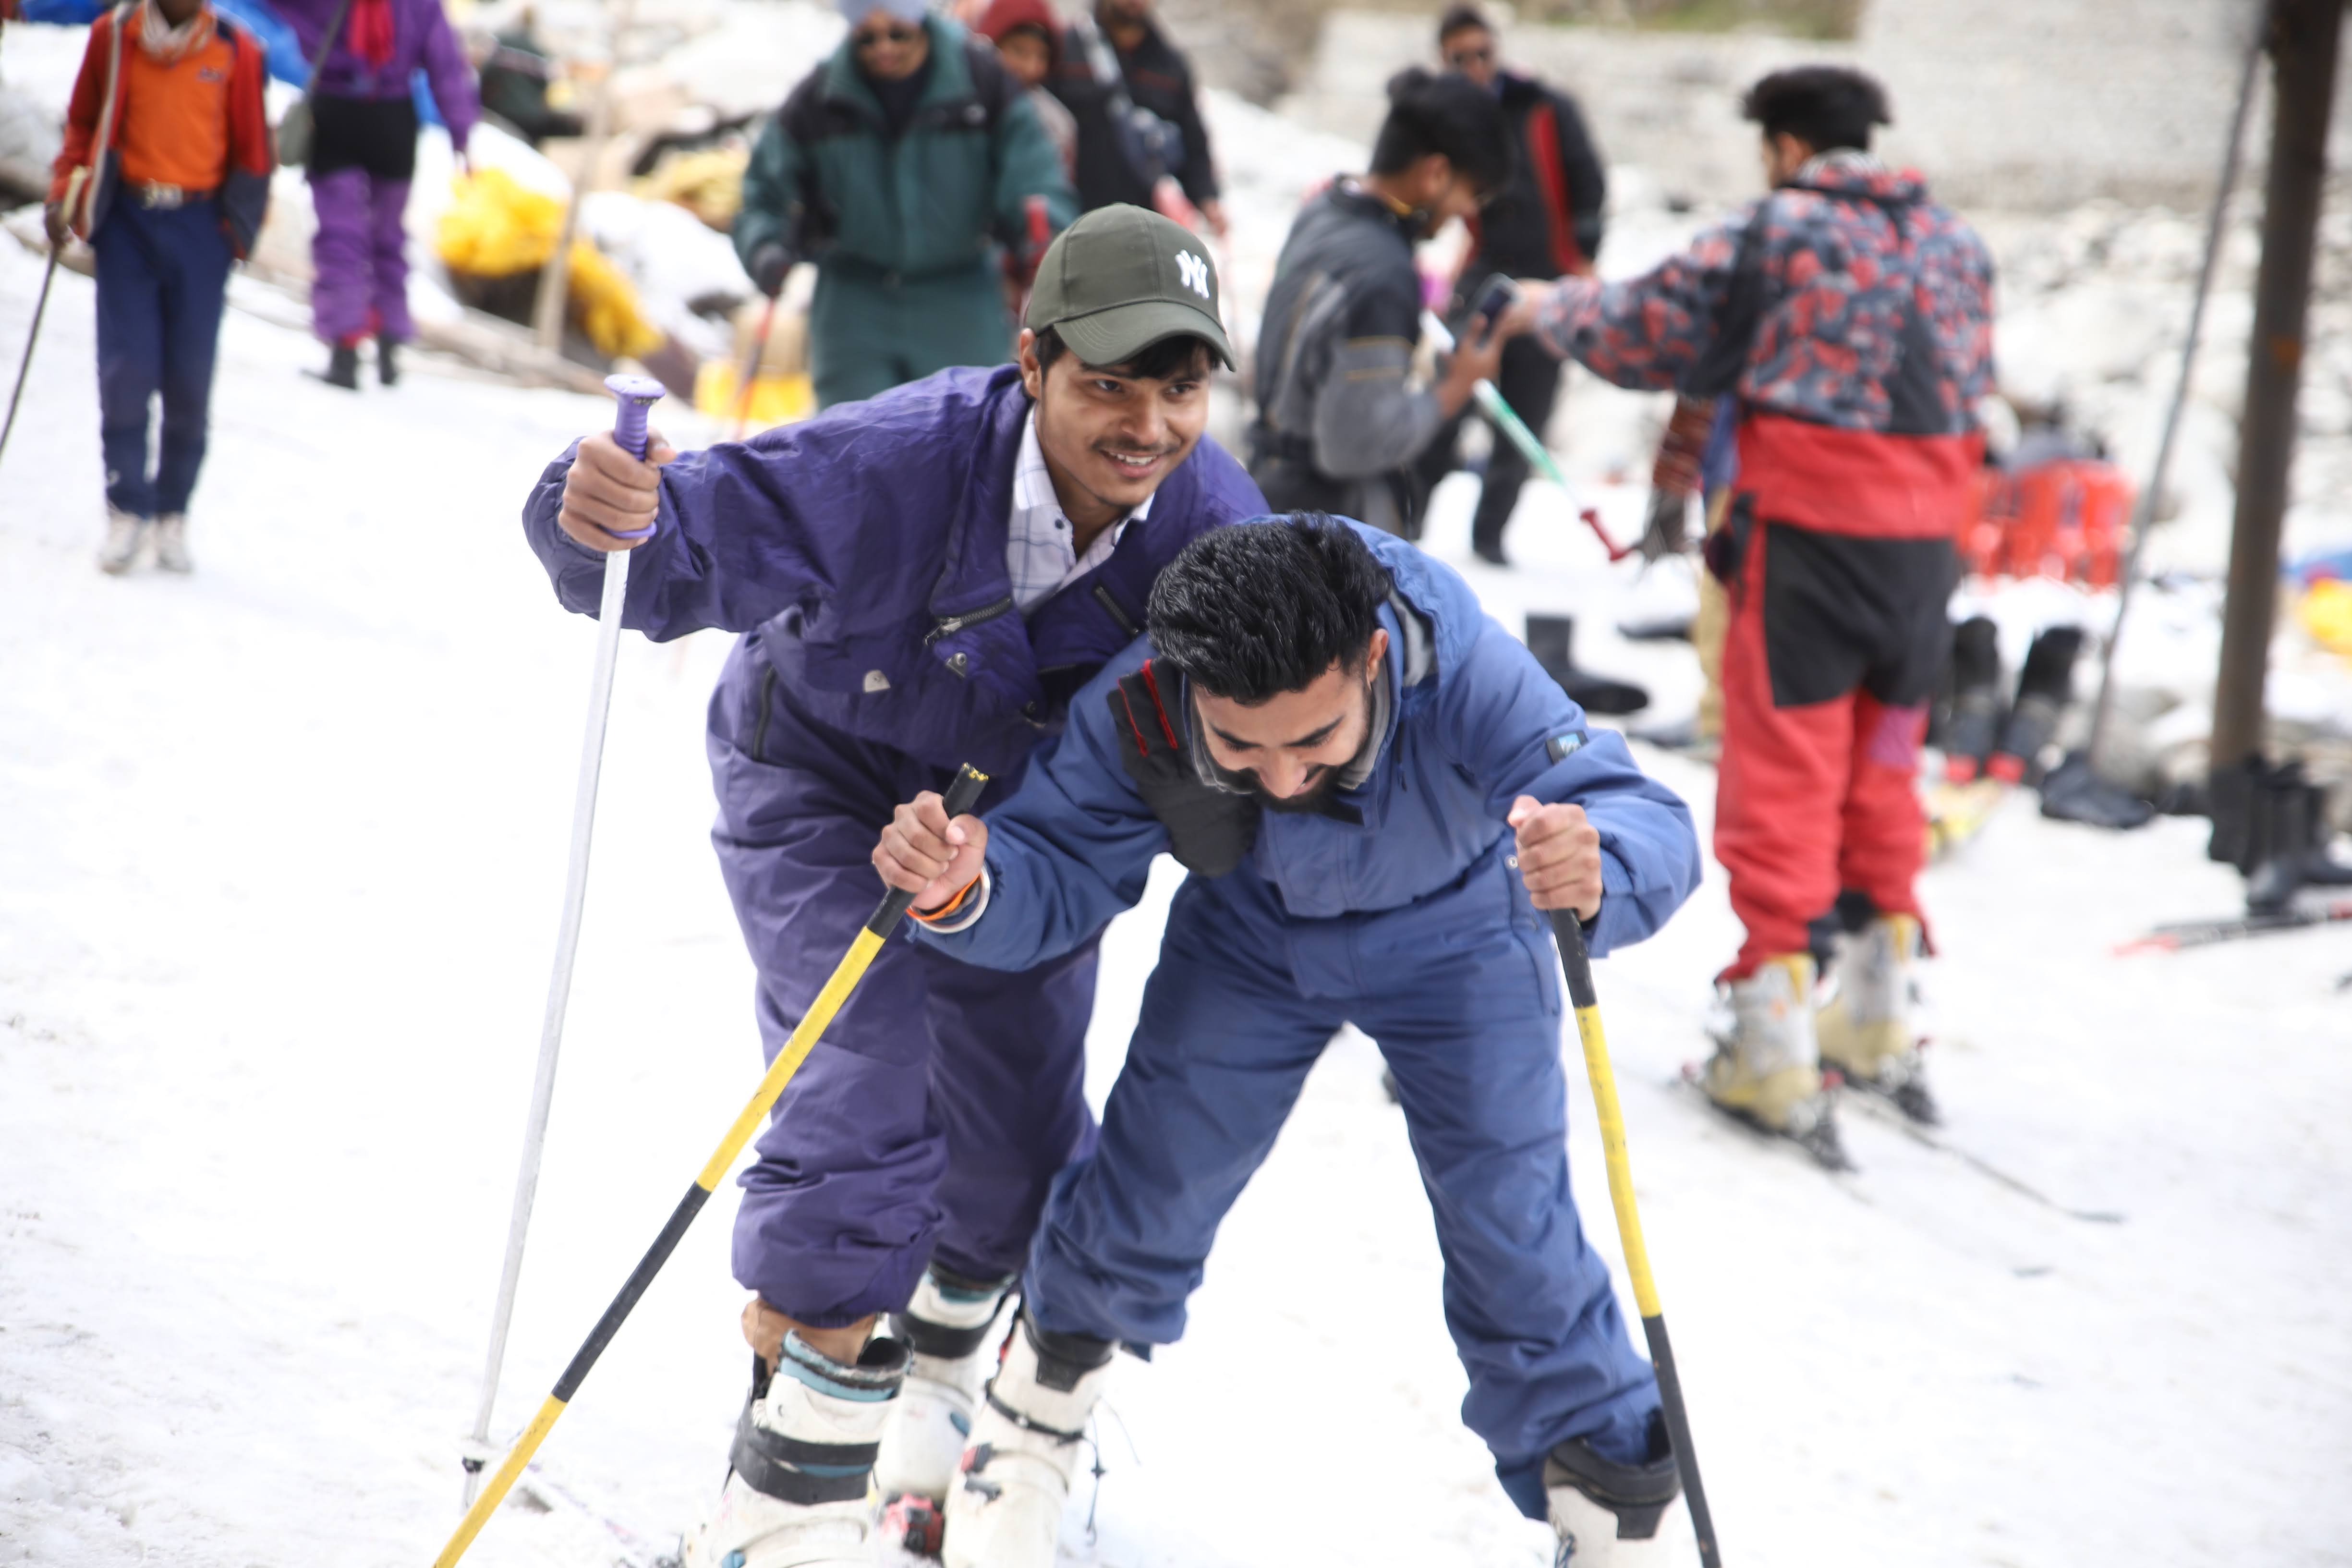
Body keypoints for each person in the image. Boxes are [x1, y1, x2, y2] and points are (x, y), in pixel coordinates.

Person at [521, 206, 1265, 1568]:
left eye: (1180, 387)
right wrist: (602, 518)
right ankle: (785, 1495)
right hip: (820, 778)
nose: (1148, 425)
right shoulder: (901, 456)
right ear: (1032, 361)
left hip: (1017, 840)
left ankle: (936, 1403)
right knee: (864, 1085)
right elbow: (677, 547)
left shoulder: (1216, 534)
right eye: (1109, 383)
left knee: (1019, 1141)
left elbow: (1279, 719)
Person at [872, 514, 1705, 1568]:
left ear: (1372, 659)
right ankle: (1031, 1421)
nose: (1278, 780)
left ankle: (1612, 1512)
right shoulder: (1152, 690)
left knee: (1513, 1225)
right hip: (1252, 938)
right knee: (1155, 1176)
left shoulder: (1460, 666)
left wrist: (1599, 864)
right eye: (1239, 747)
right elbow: (1060, 858)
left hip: (1461, 942)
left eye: (1313, 741)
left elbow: (1631, 807)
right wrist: (965, 887)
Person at [1502, 65, 1995, 1153]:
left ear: (1784, 146)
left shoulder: (1778, 232)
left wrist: (1539, 307)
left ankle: (1769, 1045)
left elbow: (1641, 329)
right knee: (1882, 762)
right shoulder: (1955, 243)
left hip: (1810, 541)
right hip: (1926, 549)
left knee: (1783, 767)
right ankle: (1874, 1010)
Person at [736, 0, 1077, 411]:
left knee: (967, 430)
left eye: (898, 34)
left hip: (959, 295)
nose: (885, 48)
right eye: (867, 38)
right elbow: (764, 192)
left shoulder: (982, 84)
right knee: (853, 436)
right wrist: (764, 246)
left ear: (921, 22)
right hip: (855, 302)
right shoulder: (819, 99)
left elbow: (1035, 176)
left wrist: (1043, 234)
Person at [45, 0, 271, 575]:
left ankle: (173, 510)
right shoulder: (115, 35)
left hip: (201, 226)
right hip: (129, 222)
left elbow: (254, 149)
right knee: (126, 369)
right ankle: (126, 506)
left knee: (189, 379)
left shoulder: (237, 49)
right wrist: (64, 192)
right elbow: (83, 122)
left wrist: (236, 234)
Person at [1249, 67, 1511, 541]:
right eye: (1472, 193)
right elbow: (1353, 448)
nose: (1470, 211)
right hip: (1319, 535)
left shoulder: (1326, 206)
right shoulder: (1385, 274)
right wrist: (1454, 388)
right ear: (1435, 173)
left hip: (1262, 487)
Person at [1412, 3, 1608, 567]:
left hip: (1550, 273)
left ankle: (1490, 535)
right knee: (1448, 397)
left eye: (1482, 54)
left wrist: (1584, 261)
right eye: (1460, 59)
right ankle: (1408, 521)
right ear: (1444, 62)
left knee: (1527, 411)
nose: (1475, 66)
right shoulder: (1445, 119)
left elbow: (1588, 183)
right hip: (1482, 272)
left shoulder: (1544, 106)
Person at [278, 0, 478, 390]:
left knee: (340, 237)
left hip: (336, 111)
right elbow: (446, 62)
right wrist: (461, 133)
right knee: (388, 236)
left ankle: (345, 351)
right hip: (394, 120)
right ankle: (390, 345)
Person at [1048, 0, 1222, 234]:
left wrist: (1207, 199)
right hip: (1073, 223)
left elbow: (1193, 142)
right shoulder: (1063, 50)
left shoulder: (1170, 64)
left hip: (1145, 230)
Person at [974, 0, 1074, 180]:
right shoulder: (960, 108)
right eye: (1019, 51)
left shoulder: (1057, 126)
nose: (1031, 68)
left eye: (1041, 56)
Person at [475, 5, 582, 149]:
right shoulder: (538, 51)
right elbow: (546, 84)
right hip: (532, 116)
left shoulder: (502, 44)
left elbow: (488, 74)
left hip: (504, 112)